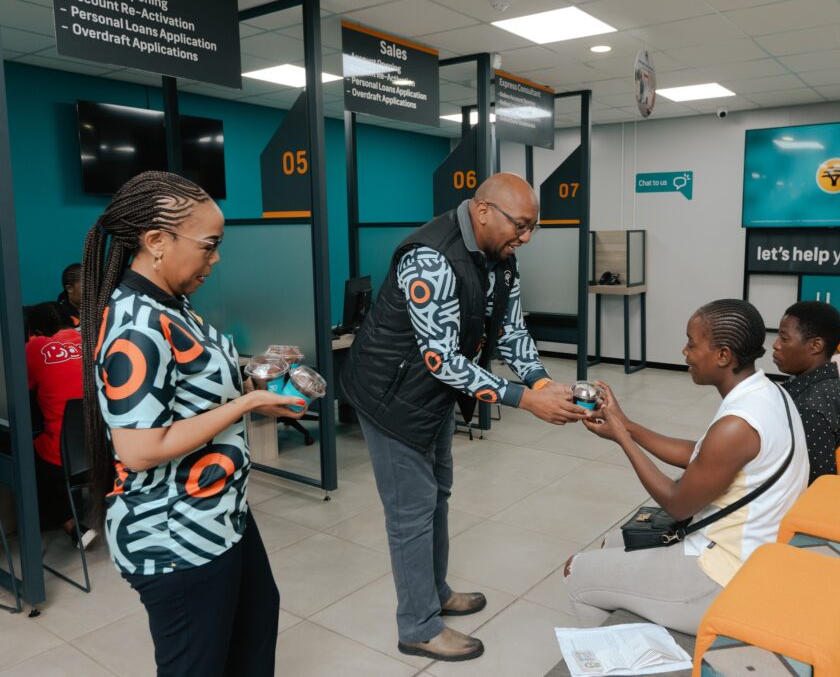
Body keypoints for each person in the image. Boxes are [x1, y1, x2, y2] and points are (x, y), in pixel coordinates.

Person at [340, 172, 588, 661]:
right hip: (390, 399)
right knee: (411, 512)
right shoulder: (430, 258)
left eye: (533, 227)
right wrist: (522, 399)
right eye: (521, 225)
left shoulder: (500, 257)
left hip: (432, 396)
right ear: (482, 212)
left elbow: (512, 330)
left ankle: (435, 593)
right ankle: (417, 625)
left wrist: (539, 380)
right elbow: (442, 359)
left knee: (438, 496)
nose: (527, 237)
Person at [80, 171, 305, 676]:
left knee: (251, 639)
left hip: (220, 515)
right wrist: (243, 408)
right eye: (209, 246)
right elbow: (139, 448)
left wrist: (253, 393)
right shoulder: (135, 326)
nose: (216, 258)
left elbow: (188, 400)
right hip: (174, 535)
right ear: (156, 242)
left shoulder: (173, 303)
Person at [563, 299, 809, 634]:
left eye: (692, 345)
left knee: (576, 571)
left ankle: (623, 658)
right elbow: (703, 454)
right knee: (612, 543)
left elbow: (677, 503)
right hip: (749, 551)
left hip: (724, 575)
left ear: (723, 355)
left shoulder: (737, 424)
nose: (685, 352)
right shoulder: (769, 393)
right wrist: (628, 425)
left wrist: (622, 439)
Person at [23, 301, 96, 548]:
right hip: (108, 449)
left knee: (27, 455)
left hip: (67, 458)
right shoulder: (87, 338)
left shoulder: (34, 347)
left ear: (35, 331)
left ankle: (73, 526)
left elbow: (22, 389)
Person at [773, 301, 840, 482]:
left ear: (816, 345)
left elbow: (814, 484)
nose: (776, 345)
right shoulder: (837, 385)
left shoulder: (809, 408)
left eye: (784, 339)